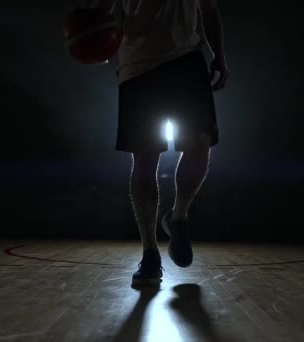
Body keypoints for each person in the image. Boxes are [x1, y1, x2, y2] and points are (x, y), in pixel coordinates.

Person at [96, 0, 228, 285]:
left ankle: (178, 214)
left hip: (187, 59)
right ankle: (150, 253)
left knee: (200, 143)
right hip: (137, 65)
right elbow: (103, 11)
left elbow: (207, 8)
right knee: (144, 160)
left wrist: (219, 55)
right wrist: (97, 39)